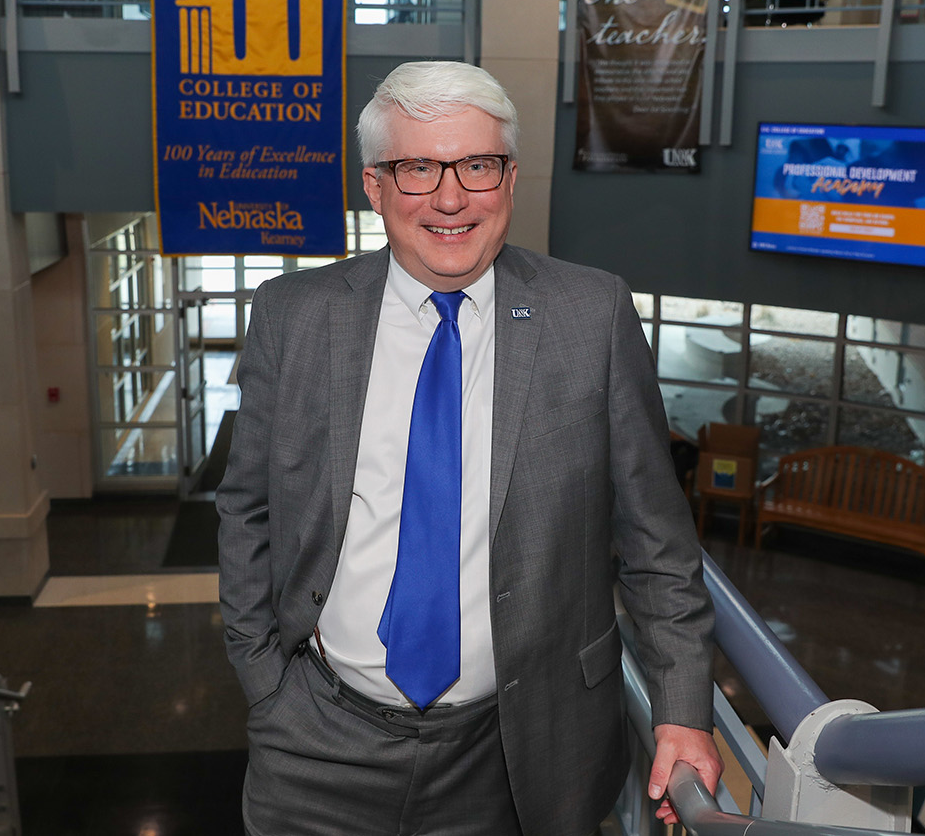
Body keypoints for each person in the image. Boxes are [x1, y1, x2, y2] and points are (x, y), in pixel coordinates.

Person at [217, 60, 721, 836]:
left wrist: (683, 710)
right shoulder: (293, 313)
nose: (450, 199)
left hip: (518, 752)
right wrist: (265, 680)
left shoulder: (592, 315)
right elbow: (246, 506)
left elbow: (658, 540)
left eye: (477, 165)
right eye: (417, 168)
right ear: (374, 186)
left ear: (510, 178)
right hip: (315, 739)